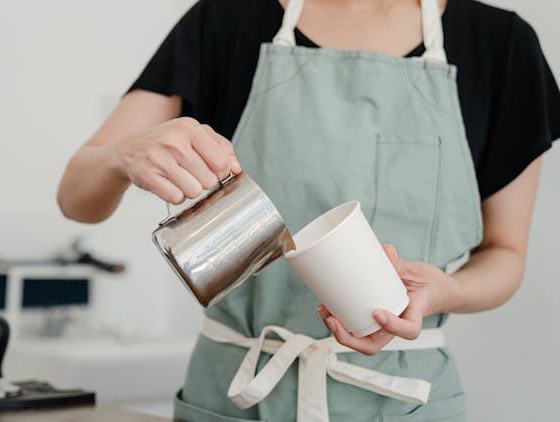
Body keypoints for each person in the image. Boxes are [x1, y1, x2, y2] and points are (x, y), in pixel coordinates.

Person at [57, 0, 560, 420]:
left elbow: (506, 253)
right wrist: (124, 156)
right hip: (237, 393)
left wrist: (447, 290)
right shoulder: (226, 18)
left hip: (405, 401)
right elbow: (75, 198)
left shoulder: (500, 44)